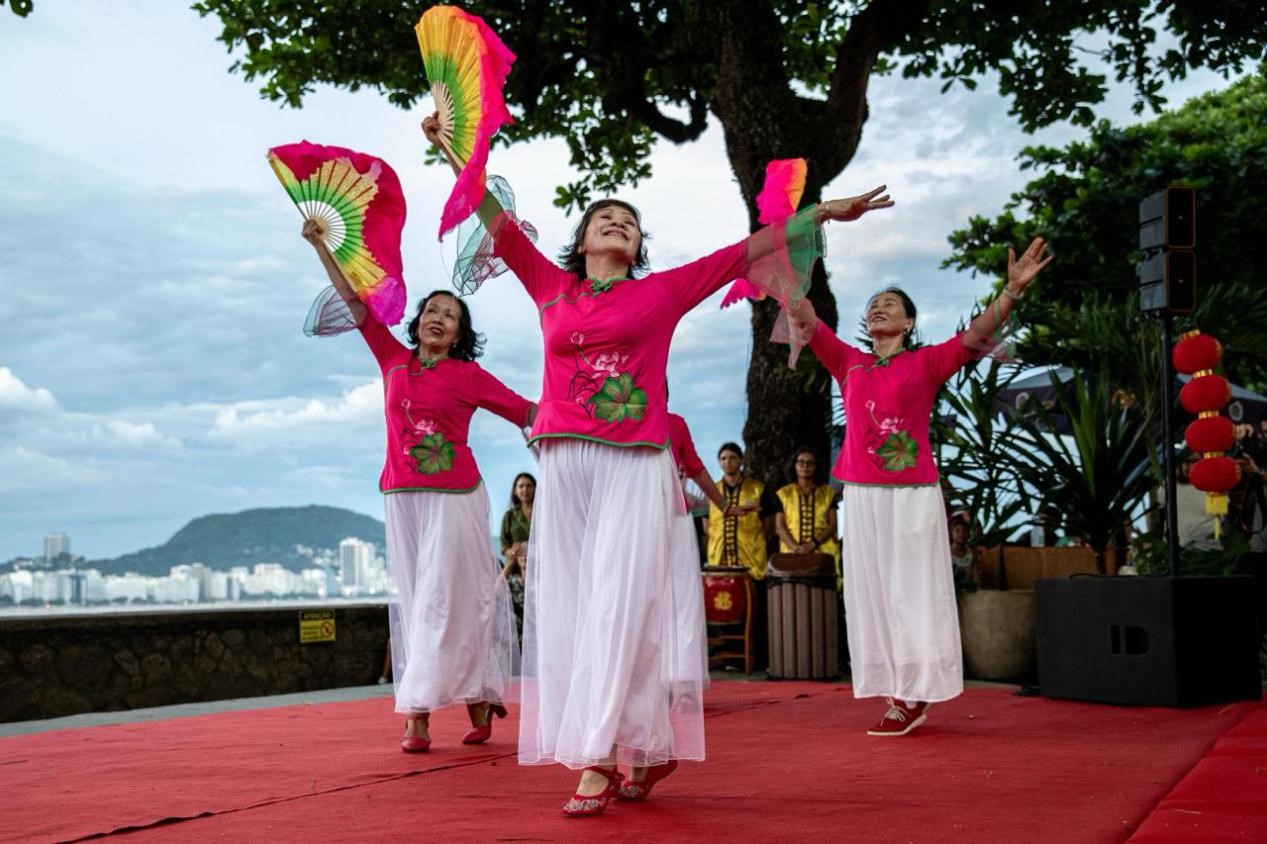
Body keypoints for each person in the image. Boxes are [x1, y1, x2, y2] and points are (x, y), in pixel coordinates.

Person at [425, 111, 893, 816]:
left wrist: (821, 210)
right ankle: (645, 742)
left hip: (635, 465)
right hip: (564, 464)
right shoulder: (551, 288)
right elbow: (496, 222)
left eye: (628, 220)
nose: (616, 222)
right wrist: (453, 147)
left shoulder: (663, 290)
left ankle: (596, 757)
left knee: (618, 602)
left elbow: (744, 252)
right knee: (576, 611)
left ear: (639, 245)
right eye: (602, 217)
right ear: (580, 240)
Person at [790, 236, 1051, 736]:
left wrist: (1012, 292)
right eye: (872, 306)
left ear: (909, 322)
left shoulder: (928, 361)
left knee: (913, 589)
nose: (879, 308)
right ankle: (893, 687)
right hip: (862, 493)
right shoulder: (849, 362)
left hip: (912, 490)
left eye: (890, 304)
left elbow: (976, 336)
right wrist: (787, 276)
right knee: (872, 592)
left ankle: (917, 688)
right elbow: (807, 321)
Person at [302, 219, 536, 752]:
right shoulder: (391, 360)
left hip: (456, 497)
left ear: (459, 333)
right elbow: (354, 301)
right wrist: (322, 246)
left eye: (450, 316)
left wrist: (581, 417)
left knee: (444, 600)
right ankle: (474, 696)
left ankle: (418, 711)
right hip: (401, 496)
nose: (439, 318)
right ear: (419, 321)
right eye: (432, 310)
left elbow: (525, 410)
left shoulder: (469, 375)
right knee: (418, 600)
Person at [772, 447, 841, 574]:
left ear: (816, 467)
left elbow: (832, 525)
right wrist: (796, 548)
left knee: (823, 591)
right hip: (791, 554)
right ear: (794, 465)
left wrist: (812, 545)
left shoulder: (828, 493)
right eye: (801, 462)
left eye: (810, 463)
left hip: (824, 553)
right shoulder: (783, 494)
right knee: (792, 590)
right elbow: (779, 527)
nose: (805, 466)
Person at [705, 443, 769, 578]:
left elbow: (769, 524)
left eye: (732, 458)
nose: (728, 462)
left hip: (751, 559)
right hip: (719, 559)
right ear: (719, 462)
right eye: (723, 458)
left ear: (741, 460)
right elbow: (706, 525)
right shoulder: (712, 491)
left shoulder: (758, 488)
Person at [500, 472, 536, 637]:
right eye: (521, 486)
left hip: (541, 567)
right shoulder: (509, 516)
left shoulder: (542, 514)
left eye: (529, 486)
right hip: (517, 568)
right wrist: (513, 552)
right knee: (519, 610)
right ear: (515, 491)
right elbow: (504, 547)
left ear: (535, 489)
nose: (525, 490)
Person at [948, 512, 980, 590]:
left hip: (969, 592)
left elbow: (976, 577)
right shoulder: (947, 553)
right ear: (951, 534)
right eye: (957, 531)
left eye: (964, 531)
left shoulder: (972, 554)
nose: (961, 534)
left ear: (968, 534)